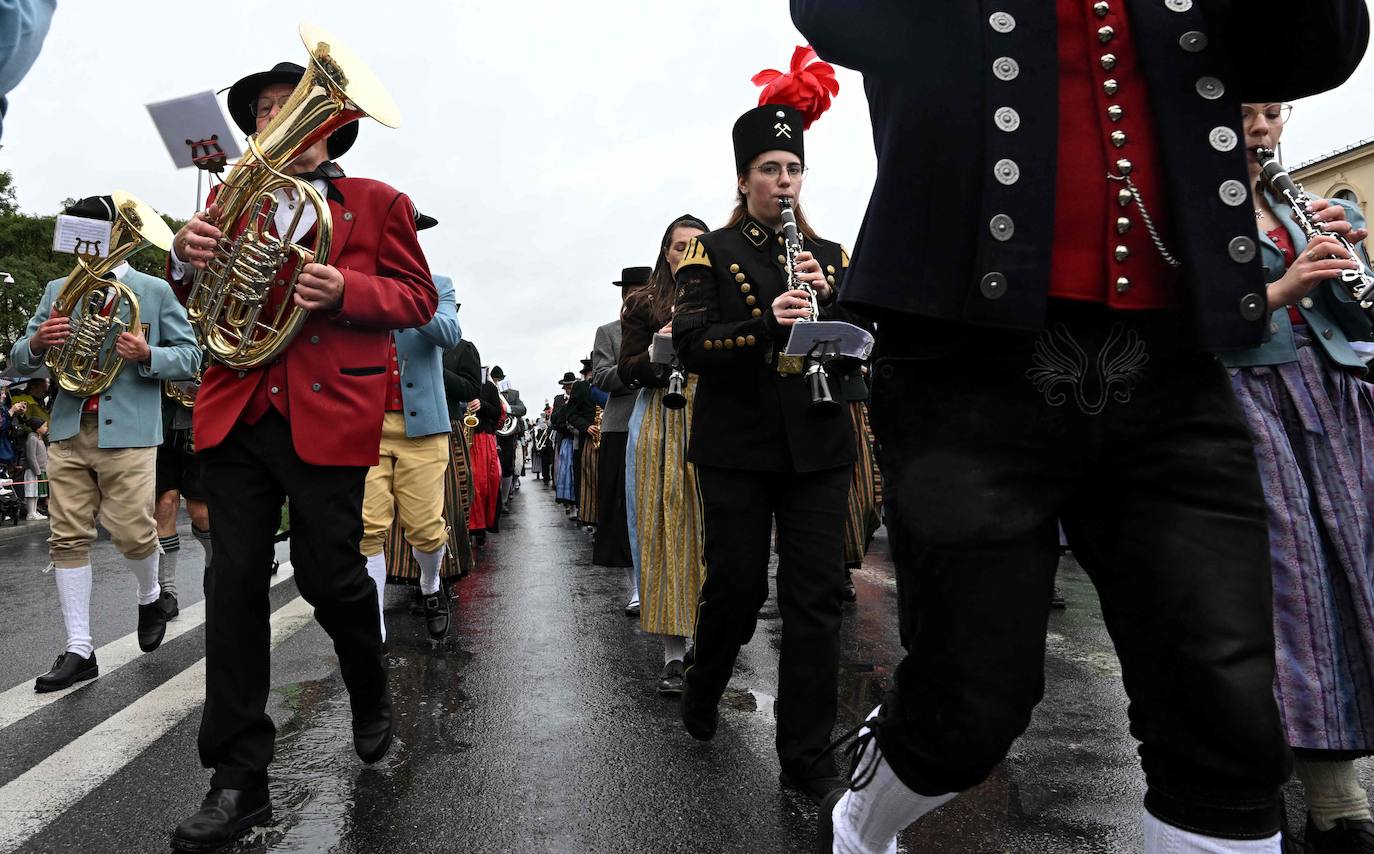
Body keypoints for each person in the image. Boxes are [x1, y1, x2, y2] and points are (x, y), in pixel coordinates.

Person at [789, 2, 1371, 852]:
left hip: (1170, 361)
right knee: (970, 698)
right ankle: (855, 829)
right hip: (970, 362)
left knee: (1226, 714)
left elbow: (1313, 46)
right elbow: (838, 18)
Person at [164, 59, 438, 852]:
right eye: (262, 110)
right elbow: (199, 301)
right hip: (238, 408)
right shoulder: (227, 198)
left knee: (331, 576)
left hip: (327, 411)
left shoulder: (380, 203)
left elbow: (416, 299)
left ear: (328, 126)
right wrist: (185, 258)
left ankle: (367, 679)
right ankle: (238, 778)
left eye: (290, 107)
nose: (274, 119)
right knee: (235, 581)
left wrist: (346, 292)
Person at [672, 66, 857, 806]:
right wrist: (764, 324)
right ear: (744, 178)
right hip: (738, 447)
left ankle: (804, 752)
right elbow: (689, 346)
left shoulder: (831, 255)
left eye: (793, 170)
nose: (784, 182)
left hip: (819, 444)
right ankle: (705, 679)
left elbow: (866, 343)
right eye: (769, 170)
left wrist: (833, 299)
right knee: (739, 590)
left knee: (815, 600)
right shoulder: (709, 253)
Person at [1222, 102, 1374, 853]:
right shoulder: (1188, 206)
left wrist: (1346, 256)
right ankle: (1329, 796)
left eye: (1272, 113)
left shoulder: (1305, 199)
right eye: (1247, 111)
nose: (1260, 127)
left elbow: (1355, 317)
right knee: (1295, 586)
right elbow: (1193, 319)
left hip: (1338, 397)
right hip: (1251, 397)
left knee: (1358, 574)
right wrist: (1280, 290)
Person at [9, 194, 200, 693]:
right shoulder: (57, 289)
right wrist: (35, 343)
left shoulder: (153, 291)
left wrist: (147, 353)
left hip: (131, 434)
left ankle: (151, 592)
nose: (83, 244)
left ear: (115, 235)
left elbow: (190, 358)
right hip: (70, 430)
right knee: (66, 537)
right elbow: (19, 363)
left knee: (132, 533)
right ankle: (79, 649)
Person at [359, 207, 461, 645]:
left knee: (425, 527)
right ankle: (371, 623)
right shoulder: (361, 285)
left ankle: (431, 586)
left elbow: (450, 333)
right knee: (367, 528)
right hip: (368, 426)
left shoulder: (438, 286)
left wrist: (407, 298)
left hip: (424, 429)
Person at [620, 215, 709, 692]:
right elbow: (626, 368)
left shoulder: (725, 294)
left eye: (696, 246)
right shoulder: (643, 303)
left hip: (716, 413)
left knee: (711, 526)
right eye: (678, 247)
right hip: (660, 415)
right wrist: (663, 352)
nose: (686, 254)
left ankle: (708, 639)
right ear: (665, 252)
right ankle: (674, 653)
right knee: (664, 524)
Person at [592, 267, 647, 575]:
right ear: (625, 295)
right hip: (621, 426)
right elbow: (600, 377)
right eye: (634, 291)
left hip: (661, 420)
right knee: (622, 506)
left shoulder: (666, 326)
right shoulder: (608, 331)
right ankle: (634, 584)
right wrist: (639, 370)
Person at [154, 375, 209, 620]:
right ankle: (167, 590)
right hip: (159, 421)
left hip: (199, 419)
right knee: (165, 505)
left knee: (201, 512)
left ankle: (213, 563)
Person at [468, 365, 504, 543]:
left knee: (484, 483)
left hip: (483, 437)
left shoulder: (489, 387)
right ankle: (468, 526)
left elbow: (497, 413)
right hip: (461, 435)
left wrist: (482, 405)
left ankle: (480, 526)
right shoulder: (458, 383)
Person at [492, 366, 527, 513]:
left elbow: (522, 409)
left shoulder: (513, 394)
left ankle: (504, 500)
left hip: (508, 436)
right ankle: (494, 503)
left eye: (499, 379)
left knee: (508, 467)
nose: (497, 382)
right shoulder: (487, 391)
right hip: (492, 433)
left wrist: (507, 408)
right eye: (495, 379)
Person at [22, 417, 47, 520]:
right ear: (37, 428)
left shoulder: (38, 438)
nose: (46, 428)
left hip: (40, 470)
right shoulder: (32, 438)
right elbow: (31, 456)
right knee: (31, 491)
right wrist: (37, 470)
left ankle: (34, 511)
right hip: (32, 470)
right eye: (44, 426)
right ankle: (30, 513)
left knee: (36, 492)